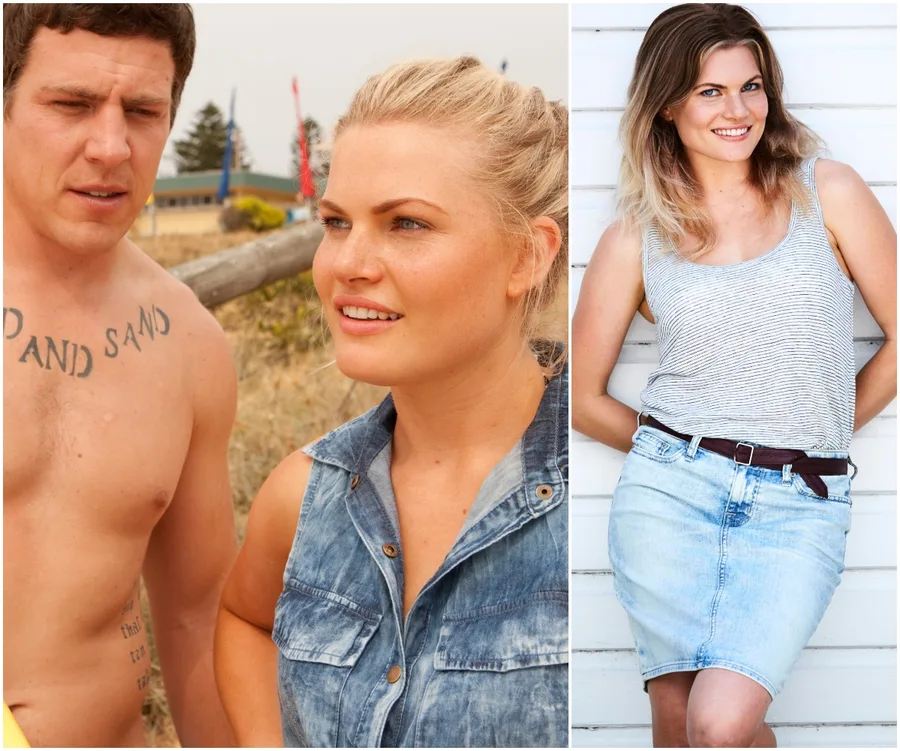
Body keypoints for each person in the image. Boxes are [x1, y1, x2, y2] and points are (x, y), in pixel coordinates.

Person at [215, 56, 569, 748]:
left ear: (528, 255)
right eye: (337, 221)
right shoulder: (302, 496)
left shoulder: (605, 502)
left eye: (406, 223)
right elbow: (246, 618)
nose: (348, 263)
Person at [572, 3, 896, 748]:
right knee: (677, 729)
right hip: (668, 502)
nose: (738, 110)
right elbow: (585, 400)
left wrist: (820, 429)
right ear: (666, 105)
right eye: (710, 91)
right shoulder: (635, 236)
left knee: (719, 725)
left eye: (751, 86)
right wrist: (677, 455)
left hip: (799, 504)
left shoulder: (828, 192)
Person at [3, 5, 238, 747]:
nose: (111, 146)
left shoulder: (191, 343)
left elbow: (199, 618)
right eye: (70, 104)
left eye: (142, 111)